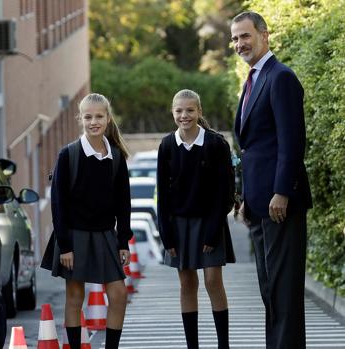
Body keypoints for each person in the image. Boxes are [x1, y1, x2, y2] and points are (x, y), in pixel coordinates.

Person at [231, 11, 312, 349]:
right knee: (270, 290)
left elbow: (292, 141)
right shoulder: (252, 80)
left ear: (264, 35)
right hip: (259, 206)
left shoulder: (281, 78)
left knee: (283, 291)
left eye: (245, 36)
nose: (239, 44)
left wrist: (281, 191)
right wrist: (246, 196)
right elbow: (253, 146)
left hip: (281, 203)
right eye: (235, 38)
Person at [41, 93, 132, 349]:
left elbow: (123, 204)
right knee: (74, 296)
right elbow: (58, 204)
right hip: (74, 235)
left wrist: (123, 240)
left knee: (118, 294)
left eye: (99, 116)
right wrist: (65, 245)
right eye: (88, 117)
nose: (94, 121)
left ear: (108, 118)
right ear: (80, 118)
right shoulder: (68, 155)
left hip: (105, 235)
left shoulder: (116, 157)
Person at [157, 89, 235, 349]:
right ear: (172, 113)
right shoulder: (167, 145)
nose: (184, 115)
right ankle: (193, 346)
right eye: (179, 111)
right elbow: (163, 194)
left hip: (210, 222)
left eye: (190, 110)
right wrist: (166, 233)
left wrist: (213, 231)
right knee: (187, 282)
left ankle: (223, 344)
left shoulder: (216, 144)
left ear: (199, 112)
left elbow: (225, 192)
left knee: (213, 281)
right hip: (179, 225)